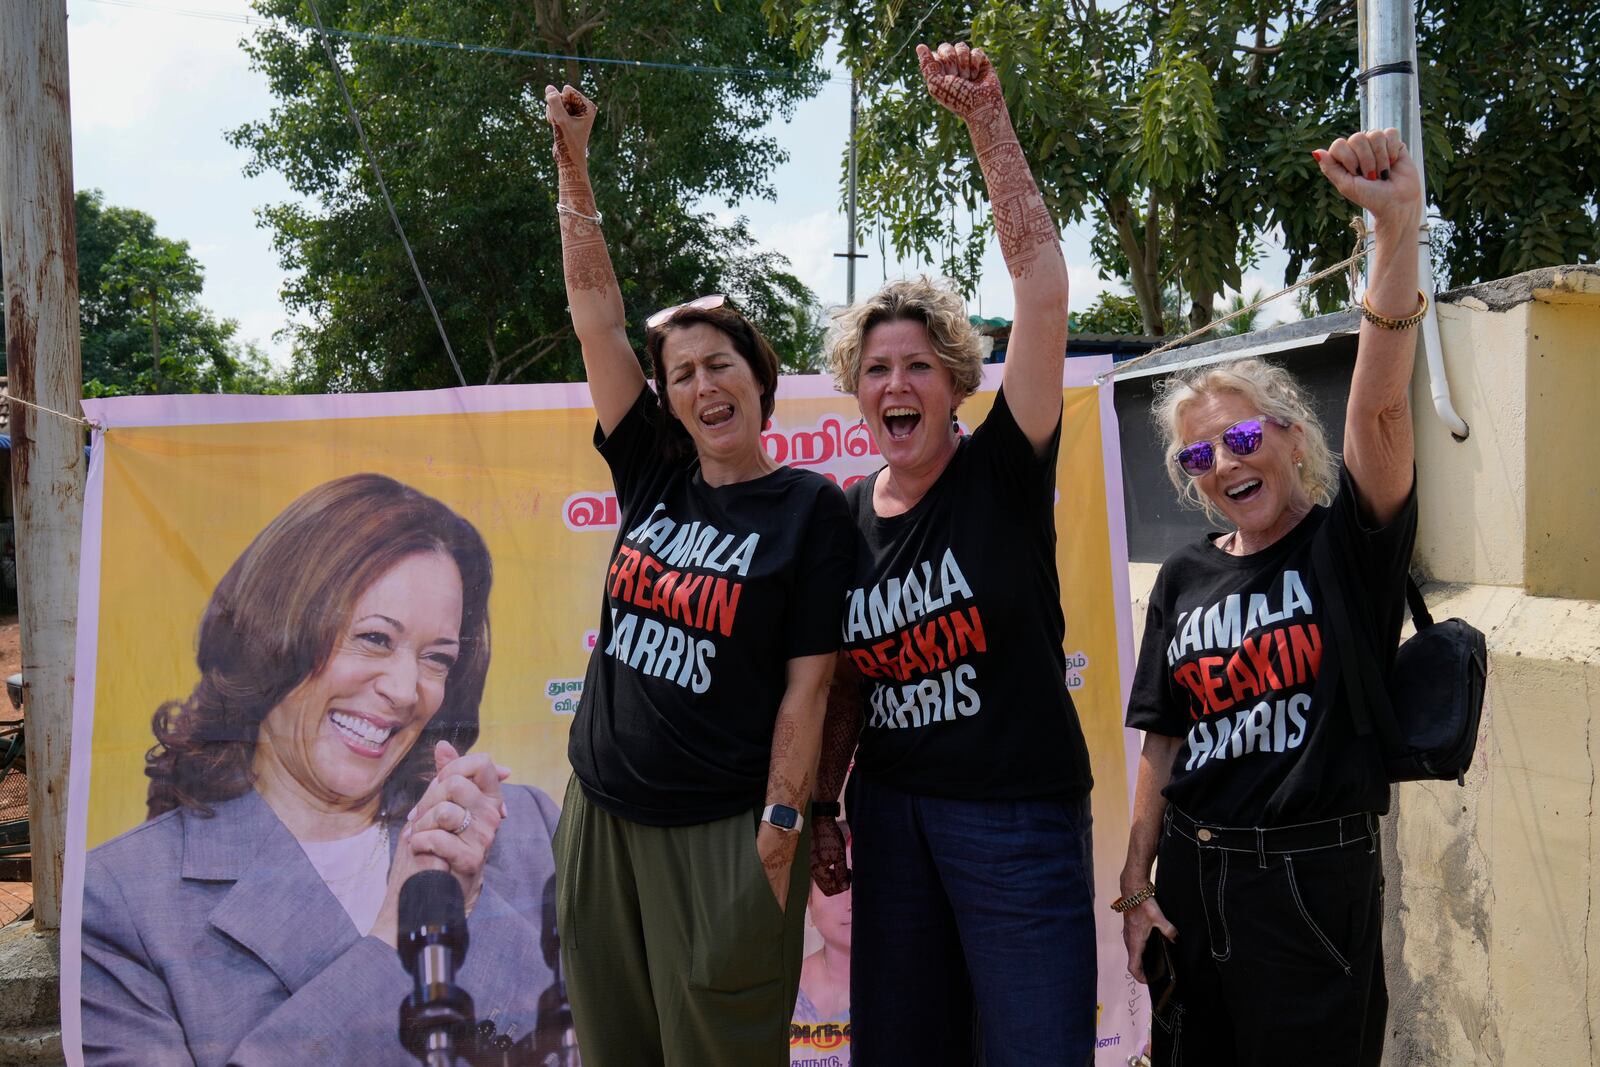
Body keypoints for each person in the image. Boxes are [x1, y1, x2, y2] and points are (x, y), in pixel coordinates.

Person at [544, 82, 856, 1067]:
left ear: (758, 378)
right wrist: (572, 164)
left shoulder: (808, 507)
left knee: (719, 1047)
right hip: (602, 811)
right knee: (616, 1042)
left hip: (725, 830)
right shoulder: (652, 471)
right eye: (680, 374)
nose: (700, 384)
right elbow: (598, 322)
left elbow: (812, 684)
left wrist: (780, 822)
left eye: (717, 364)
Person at [811, 42, 1097, 1065]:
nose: (896, 381)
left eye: (917, 365)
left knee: (1032, 1049)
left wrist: (988, 123)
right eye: (875, 367)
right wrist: (822, 802)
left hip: (1014, 820)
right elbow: (846, 674)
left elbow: (1043, 289)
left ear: (955, 382)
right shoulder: (845, 516)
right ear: (857, 390)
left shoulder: (1003, 470)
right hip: (891, 819)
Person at [80, 473, 566, 1067]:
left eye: (436, 659)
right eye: (373, 639)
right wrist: (400, 944)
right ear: (272, 634)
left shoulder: (529, 830)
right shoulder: (120, 904)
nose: (405, 689)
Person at [1117, 128, 1425, 1065]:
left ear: (1292, 437)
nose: (1227, 462)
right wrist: (1136, 885)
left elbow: (1378, 408)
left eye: (1244, 435)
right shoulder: (1185, 576)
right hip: (1195, 871)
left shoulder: (1346, 545)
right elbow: (1162, 739)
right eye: (1200, 456)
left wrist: (1394, 232)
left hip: (1309, 881)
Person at [790, 823, 851, 1066]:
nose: (850, 900)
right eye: (834, 881)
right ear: (808, 900)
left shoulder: (909, 993)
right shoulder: (783, 990)